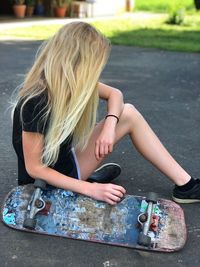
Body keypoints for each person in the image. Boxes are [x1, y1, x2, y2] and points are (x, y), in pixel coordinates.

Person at [12, 22, 200, 206]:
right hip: (42, 186)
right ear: (77, 62)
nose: (98, 69)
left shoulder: (72, 84)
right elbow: (35, 168)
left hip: (67, 163)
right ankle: (86, 181)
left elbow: (115, 94)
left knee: (128, 113)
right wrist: (89, 189)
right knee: (127, 114)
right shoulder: (35, 101)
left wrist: (109, 127)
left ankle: (186, 185)